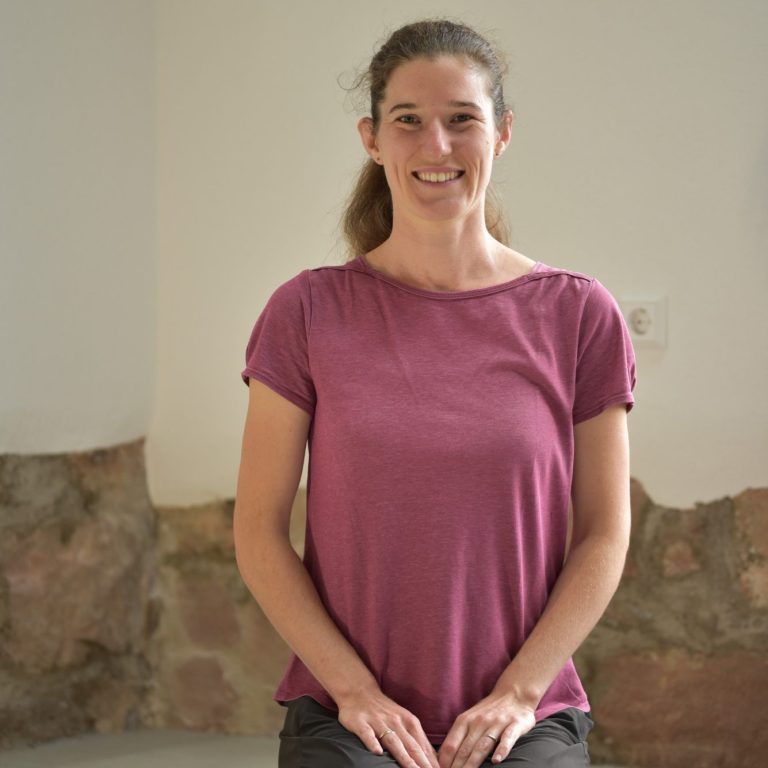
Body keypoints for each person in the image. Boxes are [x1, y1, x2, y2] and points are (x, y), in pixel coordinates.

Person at [234, 19, 636, 768]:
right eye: (408, 120)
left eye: (462, 119)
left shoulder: (579, 314)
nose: (437, 146)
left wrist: (520, 693)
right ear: (372, 139)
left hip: (526, 711)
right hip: (348, 712)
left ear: (502, 133)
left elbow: (604, 534)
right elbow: (258, 531)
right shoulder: (306, 312)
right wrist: (354, 691)